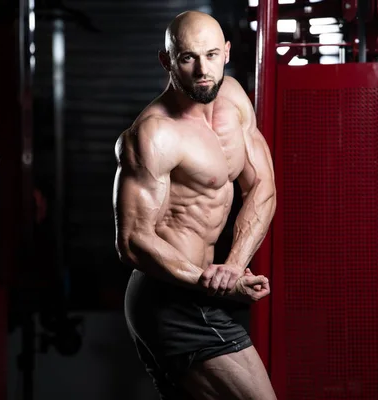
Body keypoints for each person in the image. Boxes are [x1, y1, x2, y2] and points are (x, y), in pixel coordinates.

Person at [113, 10, 277, 400]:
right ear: (166, 60)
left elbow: (262, 186)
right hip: (170, 298)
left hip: (208, 290)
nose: (203, 69)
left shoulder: (234, 99)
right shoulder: (154, 134)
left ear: (227, 53)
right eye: (188, 58)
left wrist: (234, 266)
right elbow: (132, 241)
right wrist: (214, 283)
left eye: (212, 55)